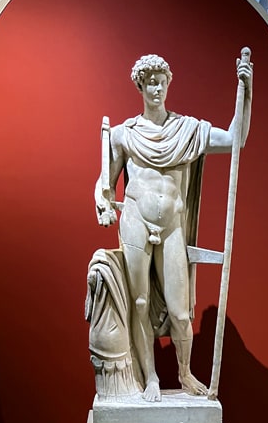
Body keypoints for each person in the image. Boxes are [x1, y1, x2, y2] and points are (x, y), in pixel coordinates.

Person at [95, 54, 252, 402]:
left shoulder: (187, 130)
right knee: (139, 302)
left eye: (161, 81)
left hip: (172, 226)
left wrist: (247, 90)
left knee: (181, 312)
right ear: (140, 86)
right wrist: (104, 204)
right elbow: (104, 182)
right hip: (135, 219)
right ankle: (150, 376)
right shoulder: (123, 134)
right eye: (150, 81)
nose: (156, 87)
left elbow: (235, 140)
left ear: (168, 84)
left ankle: (184, 373)